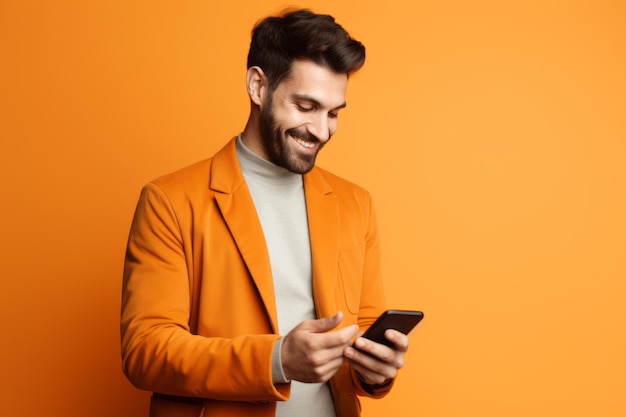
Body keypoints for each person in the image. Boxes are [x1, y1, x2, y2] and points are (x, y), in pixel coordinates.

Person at [121, 8, 409, 417]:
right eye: (306, 106)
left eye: (333, 112)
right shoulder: (168, 200)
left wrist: (376, 372)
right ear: (258, 86)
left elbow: (362, 331)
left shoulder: (355, 203)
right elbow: (144, 350)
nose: (322, 130)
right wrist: (276, 360)